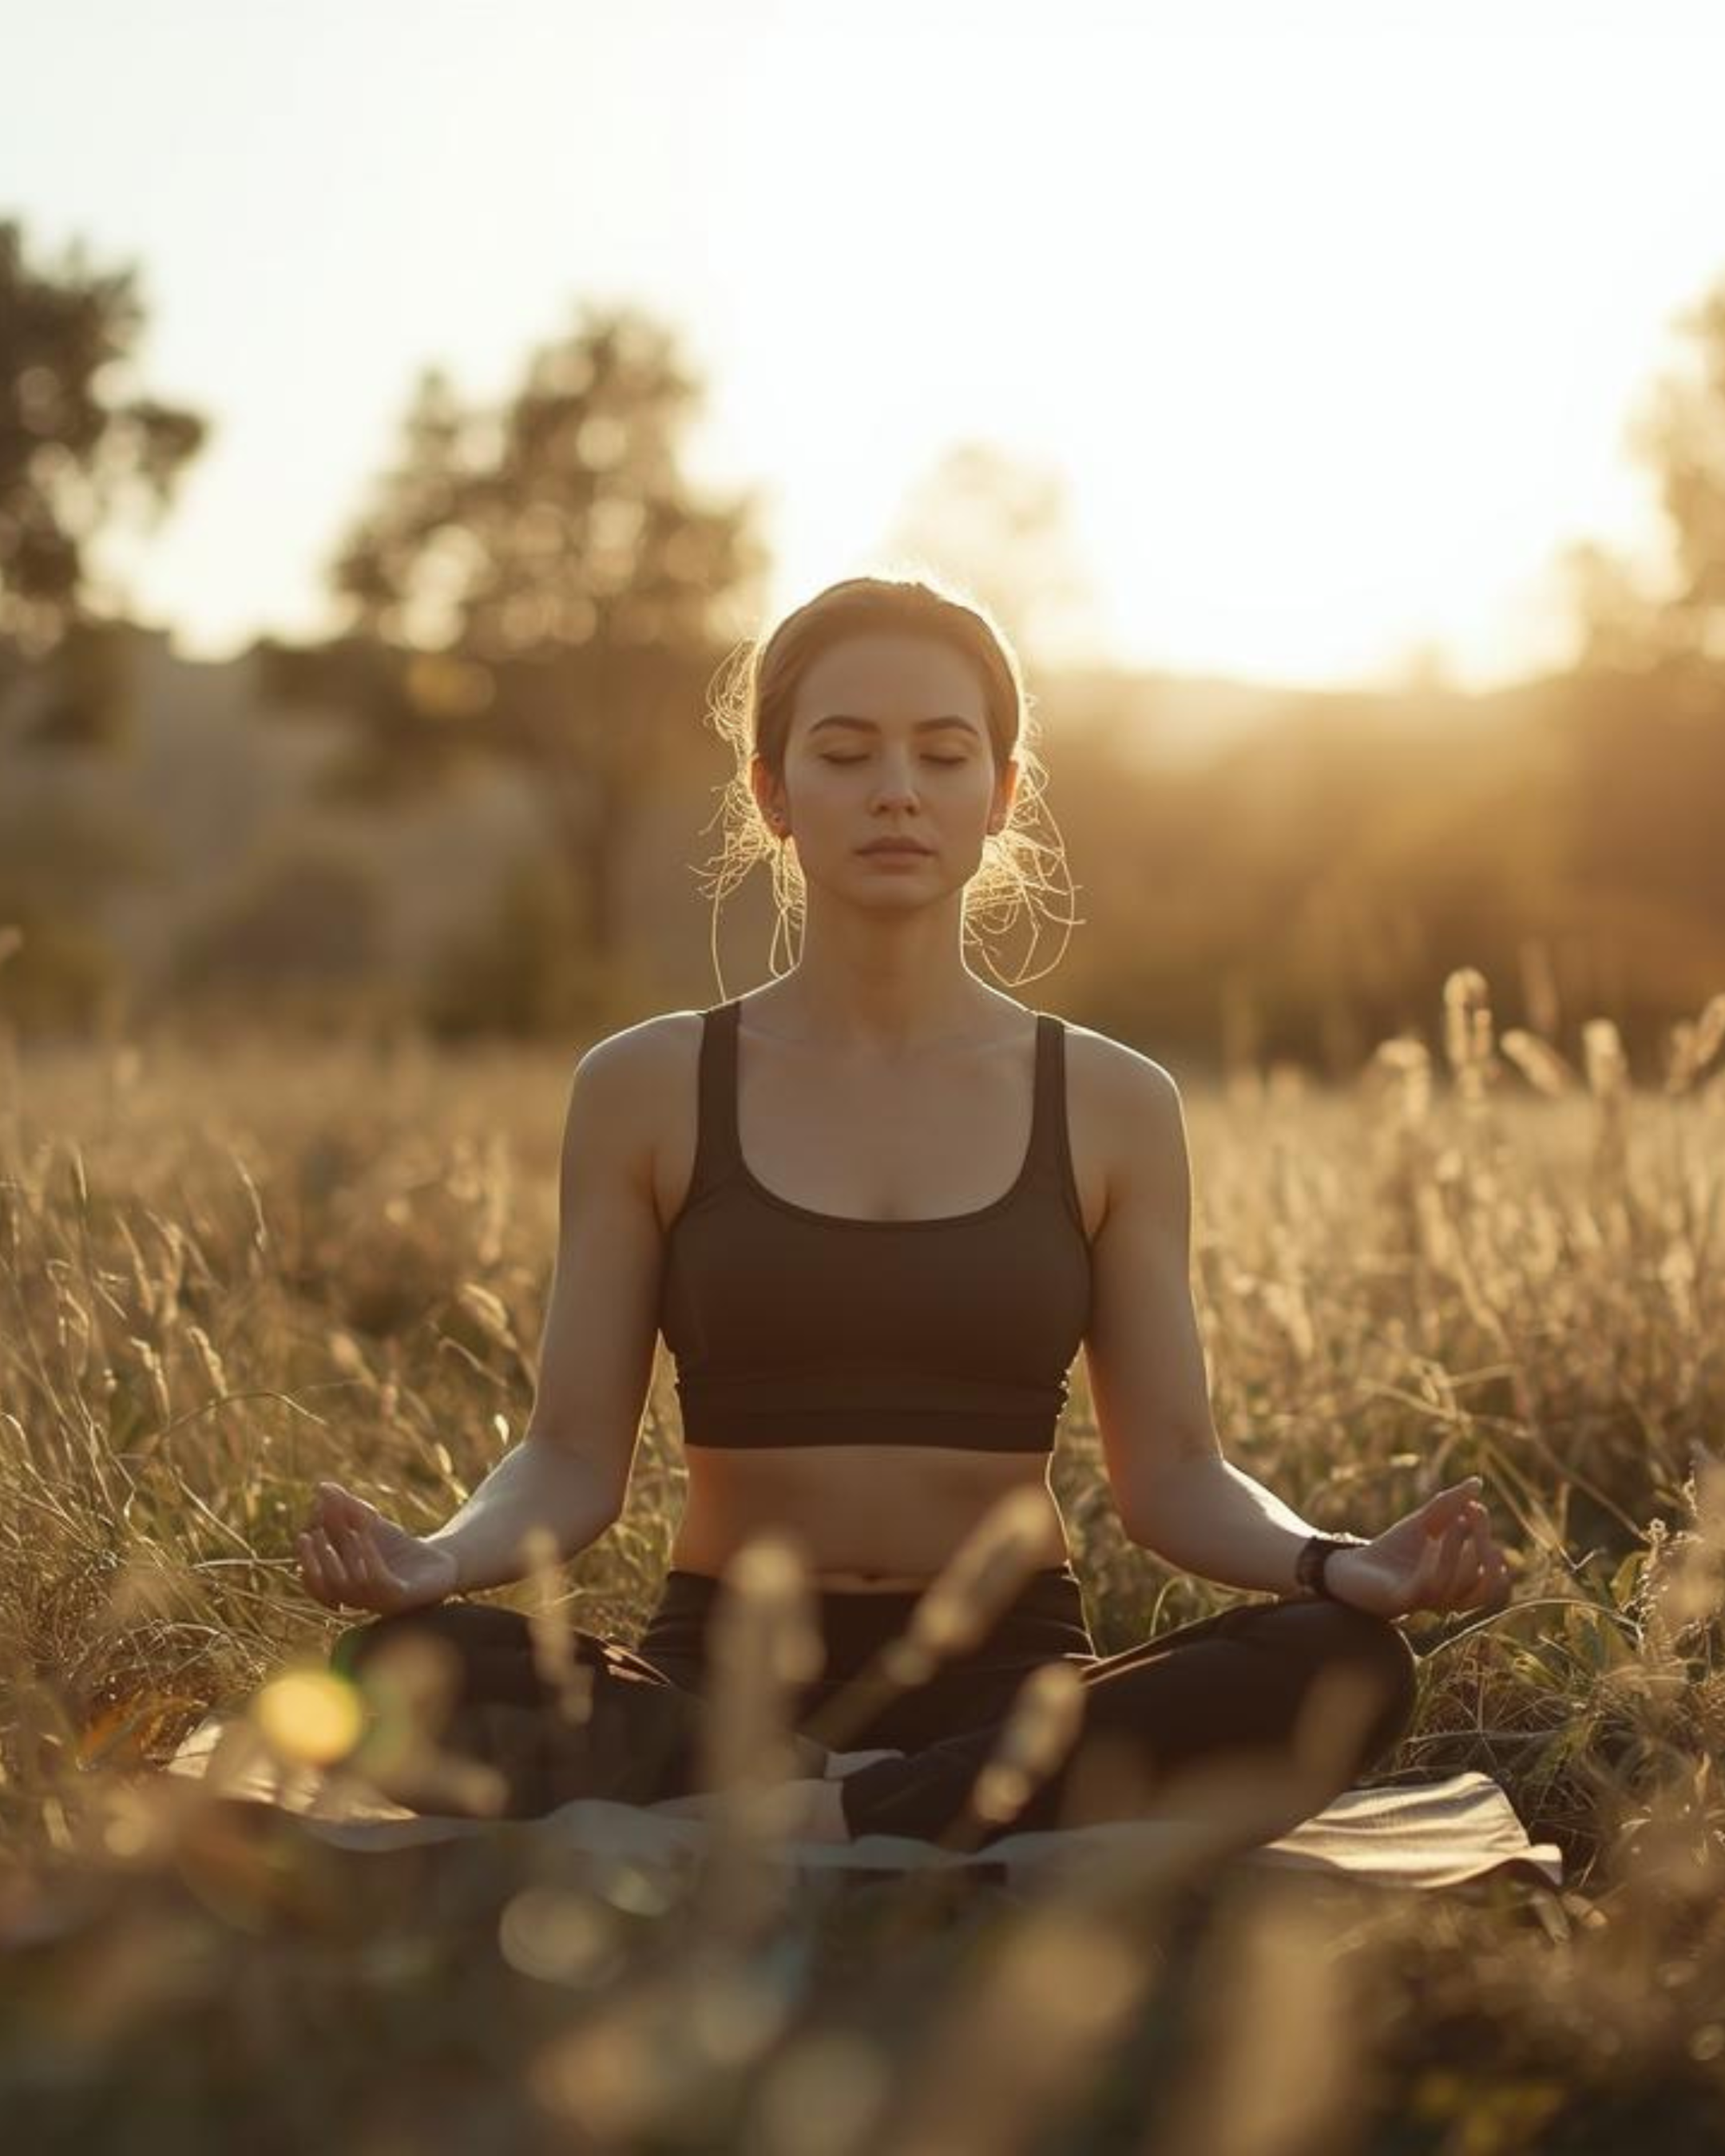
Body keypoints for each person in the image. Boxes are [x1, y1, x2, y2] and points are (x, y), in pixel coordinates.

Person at [296, 572, 1512, 1850]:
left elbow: (1176, 1478)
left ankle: (804, 1821)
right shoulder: (649, 1086)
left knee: (1348, 1662)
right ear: (772, 793)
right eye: (845, 752)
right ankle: (909, 1820)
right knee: (392, 1676)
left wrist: (1338, 1565)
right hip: (718, 1682)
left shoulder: (1110, 1101)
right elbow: (568, 1460)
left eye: (943, 754)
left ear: (998, 797)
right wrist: (437, 1559)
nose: (897, 790)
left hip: (1013, 1686)